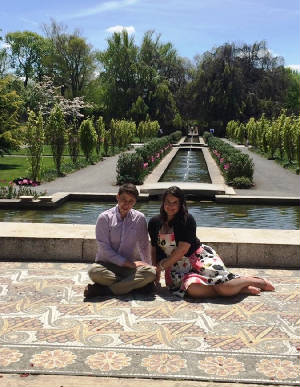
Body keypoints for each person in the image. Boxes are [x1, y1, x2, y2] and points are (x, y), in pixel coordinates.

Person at [148, 186, 275, 299]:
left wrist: (162, 266)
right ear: (163, 202)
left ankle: (250, 281)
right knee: (193, 290)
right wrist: (156, 277)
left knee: (223, 285)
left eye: (175, 202)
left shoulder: (187, 220)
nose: (170, 206)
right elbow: (154, 249)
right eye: (167, 202)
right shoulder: (155, 223)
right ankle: (239, 289)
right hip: (177, 268)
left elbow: (183, 250)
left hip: (198, 258)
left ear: (181, 204)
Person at [84, 183, 156, 298]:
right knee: (93, 272)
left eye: (130, 201)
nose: (126, 204)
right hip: (107, 266)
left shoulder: (139, 218)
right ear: (117, 197)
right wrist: (130, 264)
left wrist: (148, 265)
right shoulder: (104, 218)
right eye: (123, 200)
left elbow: (144, 246)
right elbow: (104, 249)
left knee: (151, 273)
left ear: (135, 202)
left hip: (128, 269)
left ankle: (104, 290)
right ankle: (134, 285)